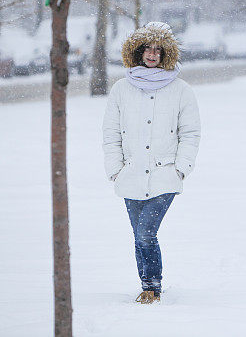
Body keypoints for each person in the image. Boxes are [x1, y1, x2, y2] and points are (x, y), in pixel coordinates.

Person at [102, 21, 201, 304]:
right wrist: (115, 169)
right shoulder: (121, 89)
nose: (152, 54)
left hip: (165, 175)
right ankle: (146, 285)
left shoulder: (181, 90)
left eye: (158, 49)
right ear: (137, 51)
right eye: (147, 48)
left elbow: (191, 133)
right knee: (138, 235)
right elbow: (110, 132)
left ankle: (152, 287)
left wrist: (181, 168)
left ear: (166, 54)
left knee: (146, 232)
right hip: (130, 174)